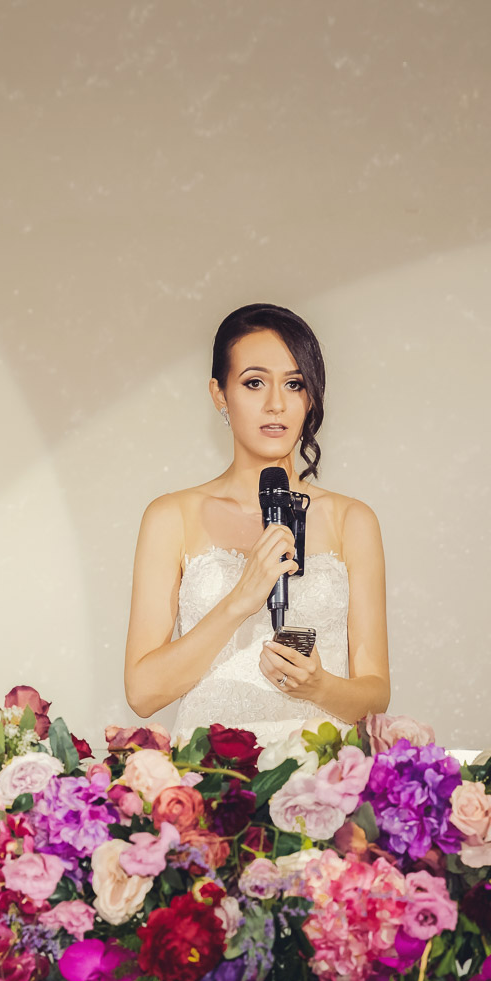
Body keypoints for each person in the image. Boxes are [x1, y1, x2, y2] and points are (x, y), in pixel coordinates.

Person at [123, 303, 391, 743]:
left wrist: (320, 687)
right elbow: (142, 693)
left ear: (310, 397)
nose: (276, 405)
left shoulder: (352, 520)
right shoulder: (171, 516)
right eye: (254, 383)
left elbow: (375, 695)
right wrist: (240, 600)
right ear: (219, 394)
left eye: (294, 384)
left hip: (317, 771)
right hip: (213, 773)